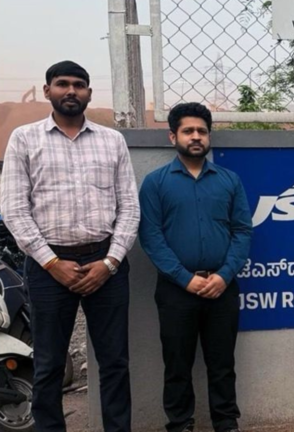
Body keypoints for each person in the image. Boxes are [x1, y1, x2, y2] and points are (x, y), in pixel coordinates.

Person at [0, 60, 139, 432]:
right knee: (48, 363)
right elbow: (14, 209)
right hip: (48, 267)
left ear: (89, 93)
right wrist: (51, 262)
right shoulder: (25, 138)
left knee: (114, 362)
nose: (71, 91)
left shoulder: (112, 140)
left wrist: (109, 263)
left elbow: (129, 208)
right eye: (62, 84)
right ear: (47, 91)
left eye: (79, 85)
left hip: (105, 262)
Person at [139, 102, 252, 432]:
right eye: (188, 131)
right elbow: (151, 236)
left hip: (222, 288)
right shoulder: (156, 183)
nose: (196, 137)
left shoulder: (229, 181)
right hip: (177, 291)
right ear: (172, 136)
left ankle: (227, 423)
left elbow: (242, 231)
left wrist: (224, 275)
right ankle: (179, 424)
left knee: (222, 364)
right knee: (177, 364)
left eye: (202, 131)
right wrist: (184, 279)